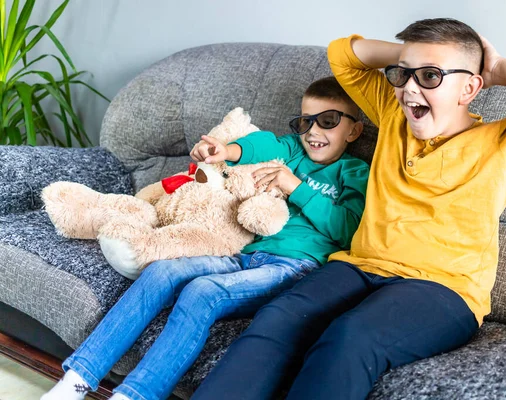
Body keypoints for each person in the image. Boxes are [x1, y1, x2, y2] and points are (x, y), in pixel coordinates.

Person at [191, 18, 506, 400]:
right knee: (278, 318)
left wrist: (496, 68)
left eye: (430, 76)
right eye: (403, 74)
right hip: (356, 265)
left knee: (351, 335)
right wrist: (414, 58)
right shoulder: (392, 116)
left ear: (470, 89)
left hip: (444, 289)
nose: (408, 89)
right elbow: (343, 56)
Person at [41, 76, 369, 400]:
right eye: (304, 122)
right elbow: (262, 145)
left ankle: (135, 395)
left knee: (202, 292)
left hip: (296, 269)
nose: (313, 132)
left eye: (328, 121)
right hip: (246, 255)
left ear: (353, 130)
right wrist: (225, 149)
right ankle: (78, 378)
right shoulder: (293, 151)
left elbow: (348, 229)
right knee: (161, 271)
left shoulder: (355, 172)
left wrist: (295, 187)